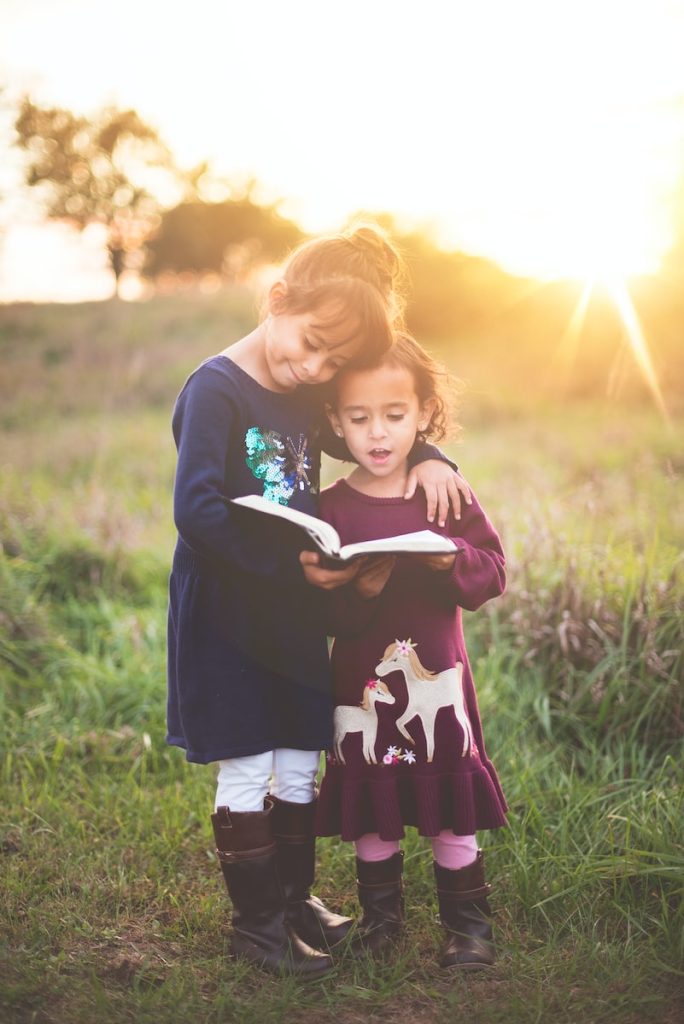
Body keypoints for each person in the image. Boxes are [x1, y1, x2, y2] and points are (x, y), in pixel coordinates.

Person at [166, 226, 470, 978]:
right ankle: (258, 927)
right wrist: (289, 564)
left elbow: (367, 433)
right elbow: (197, 511)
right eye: (310, 345)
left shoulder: (305, 393)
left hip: (295, 614)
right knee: (247, 764)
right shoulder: (215, 388)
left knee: (301, 759)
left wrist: (429, 453)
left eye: (333, 362)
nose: (315, 368)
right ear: (276, 300)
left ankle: (295, 902)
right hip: (229, 613)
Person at [311, 333, 507, 971]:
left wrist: (449, 557)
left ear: (423, 414)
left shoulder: (444, 492)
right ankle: (381, 922)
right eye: (359, 418)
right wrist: (359, 588)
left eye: (395, 416)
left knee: (450, 805)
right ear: (336, 422)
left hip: (438, 678)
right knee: (373, 804)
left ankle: (467, 928)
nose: (377, 433)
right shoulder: (329, 510)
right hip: (361, 685)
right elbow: (323, 614)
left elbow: (492, 572)